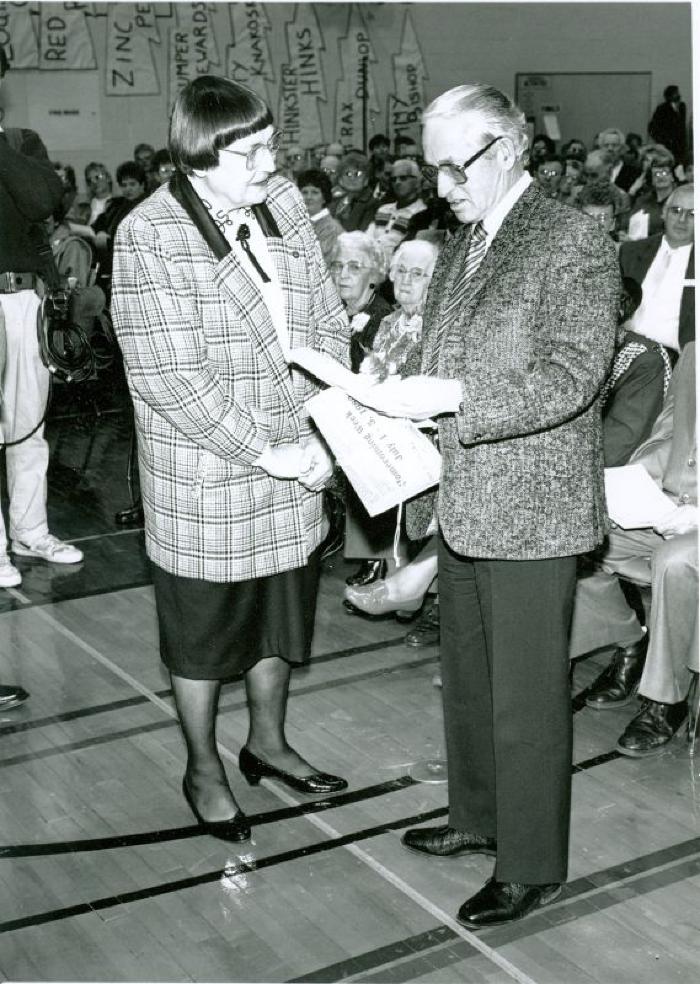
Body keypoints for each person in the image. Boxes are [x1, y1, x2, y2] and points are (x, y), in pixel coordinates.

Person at [359, 82, 619, 927]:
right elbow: (439, 360)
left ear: (506, 146)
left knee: (525, 694)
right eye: (432, 166)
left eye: (452, 164)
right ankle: (476, 816)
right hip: (466, 499)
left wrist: (456, 398)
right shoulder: (464, 241)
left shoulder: (570, 237)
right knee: (467, 681)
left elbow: (572, 375)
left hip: (532, 503)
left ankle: (533, 859)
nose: (440, 184)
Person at [110, 75, 350, 841]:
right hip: (210, 475)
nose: (268, 164)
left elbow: (326, 316)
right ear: (196, 158)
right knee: (205, 640)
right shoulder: (149, 234)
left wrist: (325, 431)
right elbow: (172, 380)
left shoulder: (278, 202)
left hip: (299, 458)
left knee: (281, 620)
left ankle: (268, 742)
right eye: (247, 154)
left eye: (271, 145)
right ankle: (203, 766)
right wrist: (274, 452)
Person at [569, 343, 697, 754]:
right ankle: (631, 638)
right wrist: (629, 482)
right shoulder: (694, 354)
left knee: (674, 561)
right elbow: (668, 433)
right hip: (672, 506)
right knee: (579, 531)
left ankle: (665, 699)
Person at [0, 45, 84, 590]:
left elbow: (43, 199)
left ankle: (30, 529)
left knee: (28, 427)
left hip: (24, 299)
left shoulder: (20, 142)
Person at [619, 183, 695, 353]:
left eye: (692, 214)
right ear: (664, 213)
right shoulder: (630, 252)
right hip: (622, 348)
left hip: (673, 360)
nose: (682, 220)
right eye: (676, 210)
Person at [365, 159, 427, 265]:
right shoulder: (383, 209)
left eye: (403, 178)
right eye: (393, 179)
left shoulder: (422, 213)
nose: (397, 182)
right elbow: (366, 239)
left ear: (417, 182)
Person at [297, 169, 344, 268]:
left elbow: (321, 264)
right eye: (304, 192)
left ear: (324, 198)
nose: (309, 197)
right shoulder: (297, 223)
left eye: (315, 192)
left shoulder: (331, 228)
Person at [648, 85, 688, 167]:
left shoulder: (682, 107)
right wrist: (663, 140)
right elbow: (652, 127)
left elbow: (682, 126)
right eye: (676, 93)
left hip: (680, 146)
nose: (679, 95)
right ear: (669, 96)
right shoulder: (662, 109)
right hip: (667, 146)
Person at [598, 127, 641, 192]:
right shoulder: (595, 171)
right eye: (606, 145)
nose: (610, 149)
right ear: (601, 148)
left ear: (622, 149)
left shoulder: (633, 172)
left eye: (614, 145)